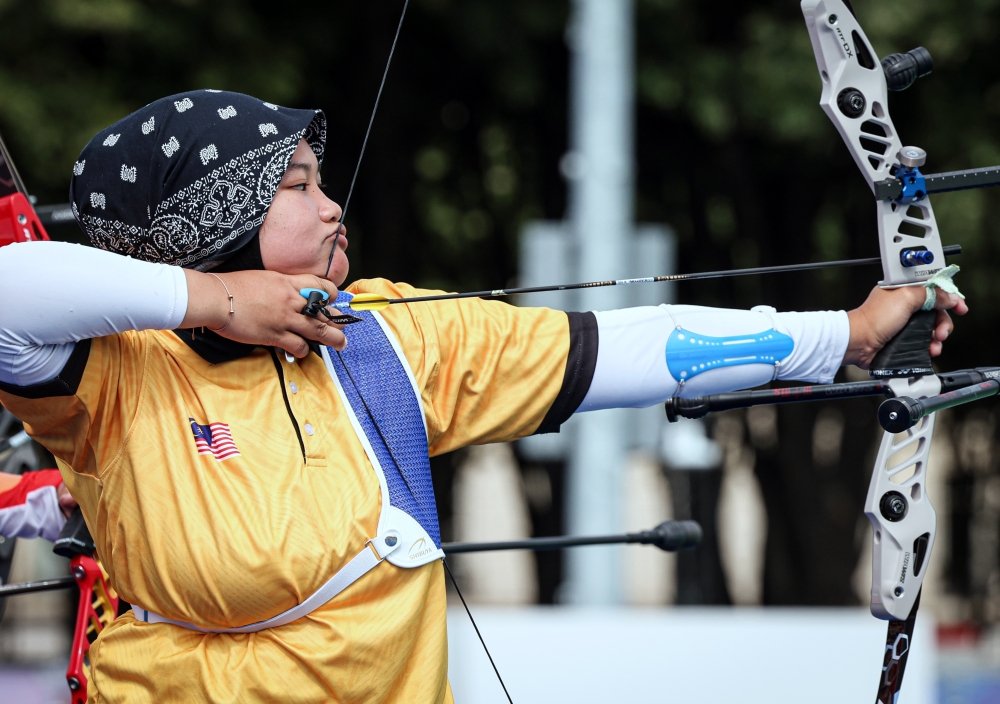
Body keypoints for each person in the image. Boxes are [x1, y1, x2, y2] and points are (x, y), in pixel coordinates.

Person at [0, 90, 966, 703]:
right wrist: (219, 302)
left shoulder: (386, 331)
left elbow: (626, 347)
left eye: (323, 182)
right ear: (212, 223)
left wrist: (844, 335)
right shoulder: (118, 370)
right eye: (295, 186)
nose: (333, 206)